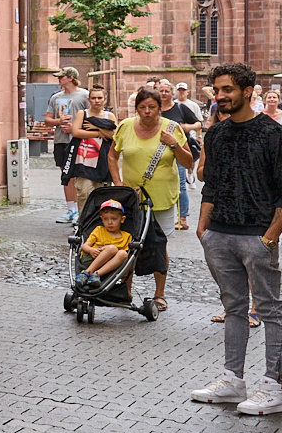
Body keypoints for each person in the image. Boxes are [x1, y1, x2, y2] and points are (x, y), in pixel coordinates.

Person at [191, 63, 282, 416]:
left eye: (228, 90)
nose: (221, 96)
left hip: (257, 234)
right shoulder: (216, 134)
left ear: (248, 90)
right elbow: (213, 183)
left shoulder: (273, 134)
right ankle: (232, 379)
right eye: (217, 90)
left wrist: (270, 236)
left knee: (269, 309)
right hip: (219, 232)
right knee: (233, 308)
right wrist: (203, 227)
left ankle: (273, 386)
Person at [111, 87, 193, 310]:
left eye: (152, 107)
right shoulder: (125, 126)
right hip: (132, 198)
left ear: (160, 108)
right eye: (142, 107)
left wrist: (173, 144)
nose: (147, 112)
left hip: (162, 197)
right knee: (127, 244)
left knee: (159, 245)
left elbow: (189, 162)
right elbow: (112, 156)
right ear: (137, 108)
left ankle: (160, 293)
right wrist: (118, 183)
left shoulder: (172, 128)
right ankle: (125, 291)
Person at [46, 67, 91, 223]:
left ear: (70, 78)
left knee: (78, 175)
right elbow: (47, 120)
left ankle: (80, 210)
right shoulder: (56, 97)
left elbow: (93, 118)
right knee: (66, 175)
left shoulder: (84, 95)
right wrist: (59, 122)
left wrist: (75, 128)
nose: (59, 79)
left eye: (61, 77)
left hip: (78, 140)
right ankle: (70, 210)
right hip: (60, 140)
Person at [158, 80, 201, 230]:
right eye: (161, 91)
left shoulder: (180, 108)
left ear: (172, 93)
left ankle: (182, 218)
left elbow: (198, 124)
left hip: (178, 151)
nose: (163, 94)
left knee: (181, 184)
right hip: (157, 153)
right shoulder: (154, 109)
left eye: (166, 91)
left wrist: (185, 127)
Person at [66, 85, 116, 206]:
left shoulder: (109, 116)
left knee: (102, 194)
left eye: (99, 98)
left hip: (103, 159)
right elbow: (76, 132)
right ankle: (83, 222)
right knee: (84, 193)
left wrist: (96, 126)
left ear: (105, 99)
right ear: (89, 100)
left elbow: (115, 135)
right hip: (84, 161)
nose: (97, 101)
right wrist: (98, 133)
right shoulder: (83, 114)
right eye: (93, 98)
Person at [77, 200, 133, 286]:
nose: (109, 222)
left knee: (123, 254)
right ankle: (86, 272)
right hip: (92, 257)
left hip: (110, 263)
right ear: (102, 219)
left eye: (114, 219)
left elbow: (124, 257)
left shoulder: (127, 236)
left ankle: (96, 274)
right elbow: (85, 246)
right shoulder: (99, 230)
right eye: (106, 219)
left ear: (122, 219)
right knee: (112, 248)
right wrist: (91, 250)